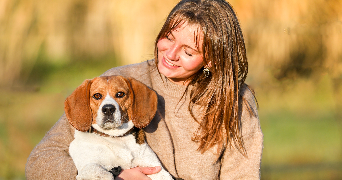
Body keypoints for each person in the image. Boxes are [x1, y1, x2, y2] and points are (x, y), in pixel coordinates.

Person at [26, 0, 263, 179]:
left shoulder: (237, 101)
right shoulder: (122, 82)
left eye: (188, 52)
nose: (170, 54)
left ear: (212, 59)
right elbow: (40, 161)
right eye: (168, 38)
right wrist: (114, 175)